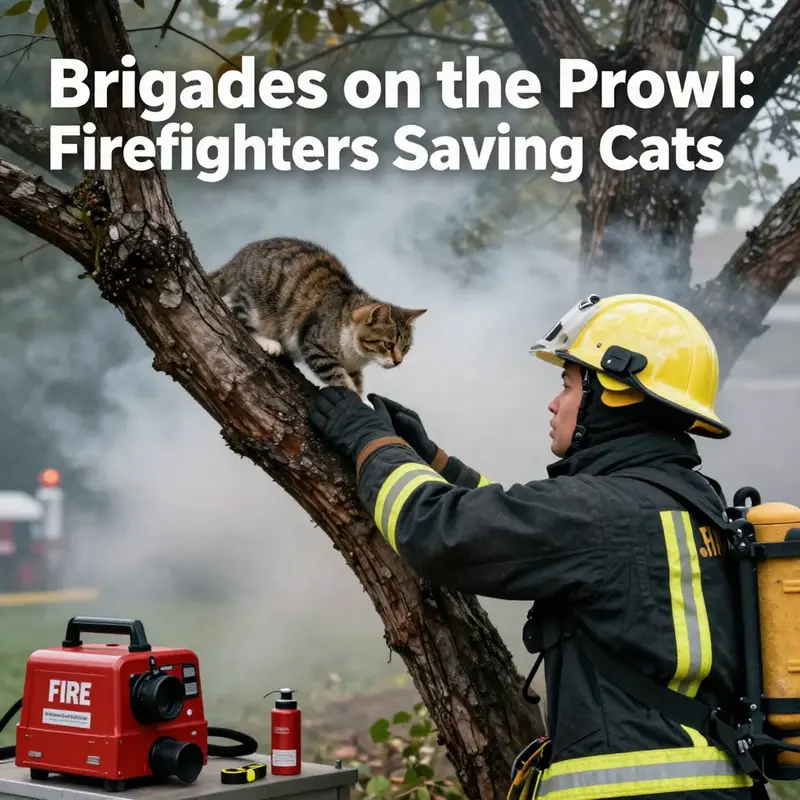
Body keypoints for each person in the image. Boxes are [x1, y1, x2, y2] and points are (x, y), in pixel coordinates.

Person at [307, 292, 765, 800]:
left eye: (567, 385)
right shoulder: (689, 500)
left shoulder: (601, 511)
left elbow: (438, 531)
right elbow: (529, 530)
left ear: (613, 392)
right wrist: (433, 460)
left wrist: (368, 441)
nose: (553, 402)